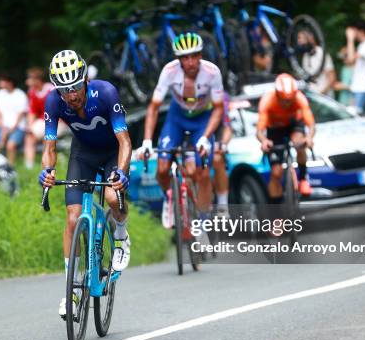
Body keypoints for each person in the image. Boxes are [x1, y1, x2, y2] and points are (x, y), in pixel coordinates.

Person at [38, 50, 132, 318]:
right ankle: (72, 290)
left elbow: (125, 141)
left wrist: (122, 173)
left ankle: (122, 235)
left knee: (114, 199)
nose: (72, 95)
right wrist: (47, 171)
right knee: (72, 218)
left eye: (76, 86)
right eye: (65, 90)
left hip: (113, 151)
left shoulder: (106, 93)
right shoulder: (53, 102)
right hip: (84, 154)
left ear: (85, 80)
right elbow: (49, 146)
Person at [136, 32, 224, 228]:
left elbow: (218, 109)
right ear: (178, 59)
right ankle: (171, 197)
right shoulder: (169, 71)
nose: (190, 61)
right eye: (185, 57)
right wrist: (147, 141)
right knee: (162, 168)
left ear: (201, 55)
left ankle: (203, 221)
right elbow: (154, 107)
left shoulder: (212, 72)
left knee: (200, 172)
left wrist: (205, 137)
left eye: (194, 56)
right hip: (177, 118)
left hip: (202, 120)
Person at [256, 73, 316, 201]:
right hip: (274, 129)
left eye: (290, 100)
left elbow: (311, 124)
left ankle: (303, 178)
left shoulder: (300, 98)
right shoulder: (267, 101)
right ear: (277, 94)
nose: (287, 104)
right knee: (276, 173)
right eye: (283, 100)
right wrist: (264, 141)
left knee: (299, 143)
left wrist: (309, 138)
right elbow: (259, 130)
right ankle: (277, 212)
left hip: (294, 125)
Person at [0, 73, 29, 164]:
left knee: (10, 146)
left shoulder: (20, 95)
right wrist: (3, 128)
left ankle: (10, 166)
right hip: (2, 126)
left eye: (2, 81)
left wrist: (10, 130)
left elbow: (21, 115)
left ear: (10, 82)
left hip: (18, 127)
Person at [24, 67, 56, 169]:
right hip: (42, 121)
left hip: (56, 120)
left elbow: (56, 110)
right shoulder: (32, 92)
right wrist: (30, 125)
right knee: (29, 136)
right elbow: (32, 111)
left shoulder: (51, 89)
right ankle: (29, 166)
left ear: (38, 80)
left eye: (31, 79)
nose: (28, 81)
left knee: (47, 137)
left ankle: (47, 165)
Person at [345, 19, 365, 115]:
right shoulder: (362, 46)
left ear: (361, 31)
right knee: (360, 118)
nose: (353, 34)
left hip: (363, 87)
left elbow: (350, 60)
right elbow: (350, 62)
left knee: (355, 117)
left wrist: (350, 40)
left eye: (354, 31)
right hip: (356, 87)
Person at [212, 93, 233, 214]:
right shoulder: (190, 95)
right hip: (194, 128)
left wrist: (223, 144)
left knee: (217, 158)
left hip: (216, 131)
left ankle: (222, 205)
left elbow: (227, 126)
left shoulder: (221, 96)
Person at [298, 29, 336, 97]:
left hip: (324, 99)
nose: (299, 41)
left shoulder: (321, 53)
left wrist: (321, 94)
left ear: (310, 38)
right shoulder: (305, 56)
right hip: (311, 97)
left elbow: (332, 78)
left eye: (301, 38)